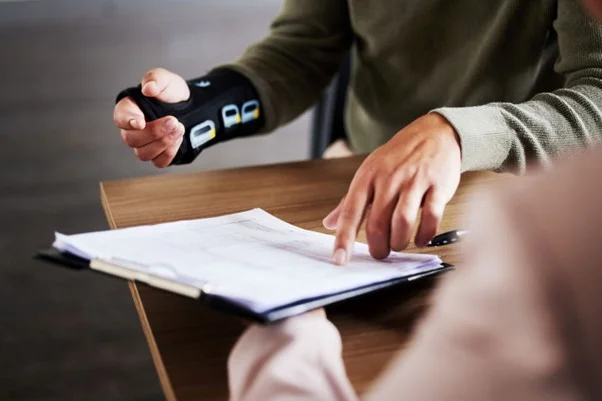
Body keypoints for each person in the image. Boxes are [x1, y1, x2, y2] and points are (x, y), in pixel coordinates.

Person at [113, 1, 602, 265]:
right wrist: (197, 110)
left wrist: (457, 135)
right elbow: (300, 52)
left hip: (521, 184)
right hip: (360, 173)